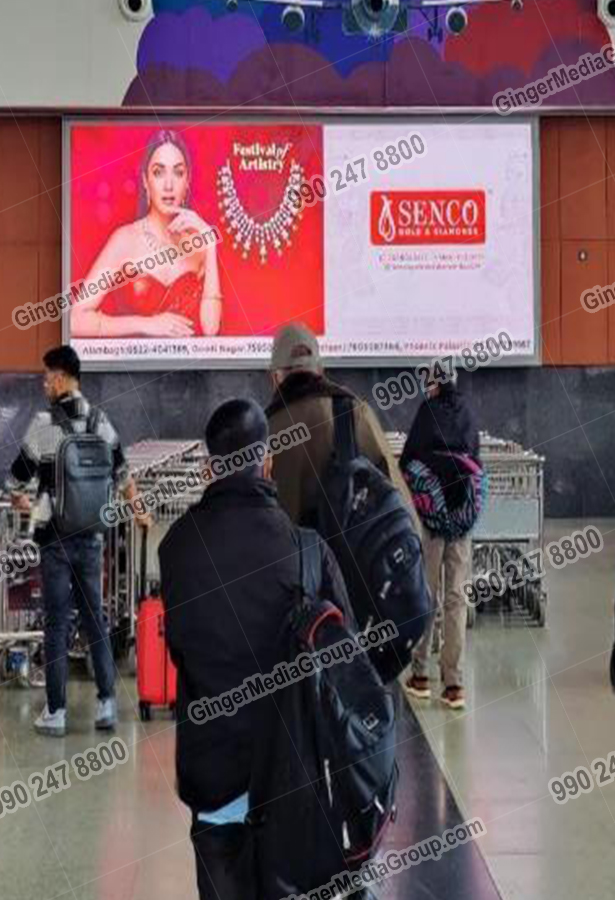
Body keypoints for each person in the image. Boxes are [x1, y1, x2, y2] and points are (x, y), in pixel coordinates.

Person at [159, 398, 361, 900]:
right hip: (293, 782)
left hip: (213, 776)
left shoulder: (177, 548)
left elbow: (181, 648)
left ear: (209, 468)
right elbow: (348, 663)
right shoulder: (307, 550)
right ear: (267, 461)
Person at [5, 345, 147, 736]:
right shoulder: (102, 422)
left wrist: (27, 501)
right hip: (92, 538)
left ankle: (57, 712)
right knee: (95, 619)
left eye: (48, 376)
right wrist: (139, 511)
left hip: (54, 540)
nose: (44, 383)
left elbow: (16, 480)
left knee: (56, 624)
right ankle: (105, 706)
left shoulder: (44, 424)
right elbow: (123, 475)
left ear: (64, 377)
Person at [70, 128, 222, 338]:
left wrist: (210, 243)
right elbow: (74, 320)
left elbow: (211, 329)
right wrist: (146, 324)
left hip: (188, 369)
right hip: (132, 369)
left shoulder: (199, 245)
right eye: (158, 172)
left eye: (178, 173)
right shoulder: (124, 240)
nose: (168, 185)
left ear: (187, 182)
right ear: (145, 181)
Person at [264, 322, 415, 528]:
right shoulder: (354, 412)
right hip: (351, 556)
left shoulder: (262, 432)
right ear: (320, 369)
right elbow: (399, 503)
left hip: (288, 557)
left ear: (274, 377)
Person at [400, 364, 480, 710]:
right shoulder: (466, 413)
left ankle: (420, 675)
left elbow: (407, 461)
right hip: (462, 521)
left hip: (432, 521)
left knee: (426, 595)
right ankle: (454, 684)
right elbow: (476, 459)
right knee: (456, 598)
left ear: (433, 384)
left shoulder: (426, 413)